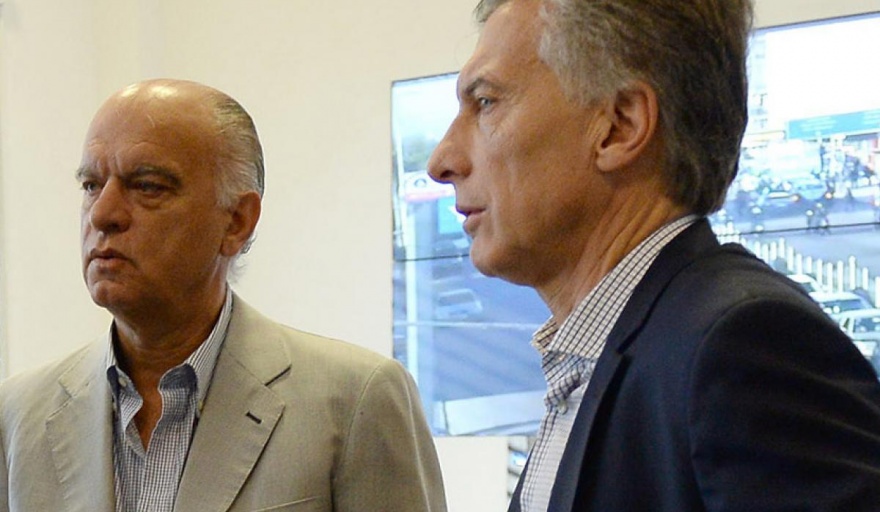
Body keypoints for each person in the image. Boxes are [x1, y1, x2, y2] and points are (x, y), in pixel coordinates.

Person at [427, 0, 880, 510]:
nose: (441, 161)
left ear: (620, 125)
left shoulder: (743, 344)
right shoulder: (619, 354)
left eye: (485, 102)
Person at [0, 79, 447, 512]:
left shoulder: (354, 401)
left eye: (148, 186)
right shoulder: (20, 415)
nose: (102, 214)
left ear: (237, 221)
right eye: (91, 185)